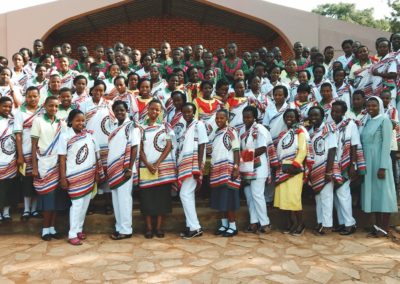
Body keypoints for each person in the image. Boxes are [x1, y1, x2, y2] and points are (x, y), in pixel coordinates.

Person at [58, 109, 103, 245]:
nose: (81, 123)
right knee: (76, 204)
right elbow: (62, 159)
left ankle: (78, 229)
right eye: (77, 120)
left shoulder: (89, 136)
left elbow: (95, 156)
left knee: (84, 205)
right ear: (71, 121)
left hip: (88, 175)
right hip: (74, 176)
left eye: (83, 120)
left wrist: (96, 174)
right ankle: (72, 234)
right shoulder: (65, 136)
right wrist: (63, 178)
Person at [31, 96, 69, 241]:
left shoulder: (62, 124)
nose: (53, 109)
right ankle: (45, 229)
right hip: (44, 163)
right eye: (50, 106)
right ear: (45, 106)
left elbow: (64, 146)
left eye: (55, 106)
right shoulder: (38, 121)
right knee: (48, 197)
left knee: (56, 198)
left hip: (58, 164)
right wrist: (34, 166)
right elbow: (34, 145)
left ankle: (52, 228)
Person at [361, 96, 398, 238]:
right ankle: (377, 226)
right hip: (368, 161)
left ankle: (384, 228)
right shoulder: (368, 121)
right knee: (374, 195)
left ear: (380, 106)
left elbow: (386, 145)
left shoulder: (385, 120)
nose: (371, 108)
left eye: (374, 106)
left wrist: (382, 167)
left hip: (379, 161)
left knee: (384, 194)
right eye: (368, 106)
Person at [139, 99, 176, 238]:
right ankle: (149, 228)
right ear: (147, 110)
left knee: (162, 199)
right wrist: (148, 164)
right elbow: (140, 149)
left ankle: (159, 228)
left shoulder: (165, 127)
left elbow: (168, 146)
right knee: (147, 199)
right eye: (152, 109)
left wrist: (157, 163)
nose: (154, 112)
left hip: (162, 169)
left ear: (160, 112)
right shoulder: (140, 128)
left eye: (157, 110)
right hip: (146, 167)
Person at [274, 109, 313, 236]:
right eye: (286, 117)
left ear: (297, 118)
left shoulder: (300, 131)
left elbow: (303, 150)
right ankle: (291, 223)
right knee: (284, 197)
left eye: (291, 116)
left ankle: (301, 224)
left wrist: (295, 164)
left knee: (294, 198)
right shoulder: (285, 133)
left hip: (294, 168)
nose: (288, 119)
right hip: (283, 167)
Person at [78, 80, 114, 215]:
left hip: (106, 144)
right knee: (92, 174)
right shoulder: (83, 105)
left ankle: (108, 203)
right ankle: (90, 204)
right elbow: (80, 124)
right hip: (90, 143)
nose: (98, 93)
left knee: (106, 173)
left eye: (101, 90)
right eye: (96, 90)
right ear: (91, 90)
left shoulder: (109, 104)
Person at [240, 106, 278, 234]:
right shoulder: (243, 130)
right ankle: (253, 222)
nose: (246, 119)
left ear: (255, 117)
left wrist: (243, 156)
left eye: (249, 117)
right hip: (246, 167)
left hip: (258, 167)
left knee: (257, 195)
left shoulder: (259, 129)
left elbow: (262, 148)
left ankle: (265, 223)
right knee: (249, 196)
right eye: (244, 117)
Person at [331, 101, 365, 235]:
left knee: (343, 194)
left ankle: (350, 224)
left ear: (344, 113)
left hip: (346, 164)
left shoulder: (350, 125)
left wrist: (353, 165)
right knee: (337, 195)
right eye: (333, 111)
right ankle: (342, 223)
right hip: (335, 164)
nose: (334, 113)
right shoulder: (333, 125)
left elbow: (354, 145)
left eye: (337, 111)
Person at [108, 100, 140, 240]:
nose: (119, 112)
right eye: (117, 110)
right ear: (113, 112)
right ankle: (119, 227)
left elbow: (134, 147)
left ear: (126, 111)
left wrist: (129, 168)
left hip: (125, 168)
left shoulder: (132, 126)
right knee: (116, 200)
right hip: (113, 168)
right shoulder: (114, 126)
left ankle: (126, 230)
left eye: (122, 110)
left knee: (125, 200)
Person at [177, 103, 208, 239]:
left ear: (194, 112)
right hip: (187, 164)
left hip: (193, 164)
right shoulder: (187, 127)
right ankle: (192, 226)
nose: (186, 114)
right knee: (187, 195)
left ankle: (195, 227)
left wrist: (198, 164)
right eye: (184, 112)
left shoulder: (198, 124)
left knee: (185, 194)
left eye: (189, 112)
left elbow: (202, 144)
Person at [308, 106, 340, 236]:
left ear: (323, 116)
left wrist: (328, 171)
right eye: (311, 116)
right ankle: (320, 222)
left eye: (316, 115)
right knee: (318, 198)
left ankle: (327, 226)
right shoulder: (311, 131)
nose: (314, 118)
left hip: (326, 167)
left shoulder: (328, 130)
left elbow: (332, 150)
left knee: (326, 198)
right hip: (316, 168)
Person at [14, 87, 44, 220]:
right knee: (26, 180)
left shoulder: (43, 111)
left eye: (35, 96)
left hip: (41, 152)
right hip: (26, 151)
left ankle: (35, 209)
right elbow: (18, 135)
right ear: (25, 97)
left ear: (39, 97)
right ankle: (26, 209)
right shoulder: (20, 113)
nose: (32, 99)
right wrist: (20, 155)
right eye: (29, 96)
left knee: (37, 179)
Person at [210, 109, 241, 237]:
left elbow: (236, 150)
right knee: (220, 200)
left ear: (227, 119)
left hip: (228, 169)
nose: (219, 120)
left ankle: (233, 226)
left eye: (221, 118)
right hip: (217, 170)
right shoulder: (216, 133)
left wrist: (236, 167)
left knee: (229, 200)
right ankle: (223, 225)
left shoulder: (231, 131)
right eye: (217, 118)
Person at [0, 96, 17, 222]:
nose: (7, 108)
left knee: (10, 187)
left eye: (9, 106)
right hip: (0, 159)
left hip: (11, 160)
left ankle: (6, 212)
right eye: (4, 106)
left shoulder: (13, 120)